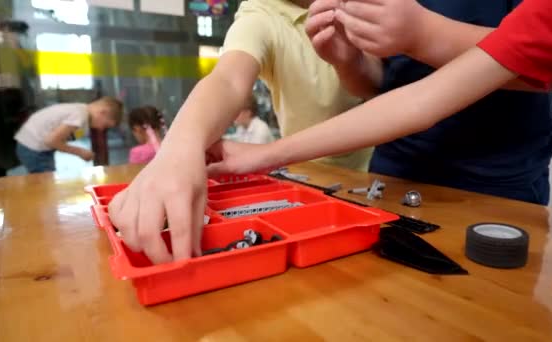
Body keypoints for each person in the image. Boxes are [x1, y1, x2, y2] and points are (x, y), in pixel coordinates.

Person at [207, 0, 552, 187]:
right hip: (395, 171)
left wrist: (423, 35)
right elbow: (415, 99)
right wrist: (267, 154)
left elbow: (547, 67)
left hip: (500, 176)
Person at [108, 0, 373, 265]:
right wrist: (180, 145)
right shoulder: (260, 13)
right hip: (312, 173)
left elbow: (391, 93)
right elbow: (228, 79)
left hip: (376, 169)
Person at [303, 0, 552, 206]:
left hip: (497, 183)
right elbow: (382, 84)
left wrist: (420, 34)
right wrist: (350, 63)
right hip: (393, 174)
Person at [15, 96, 123, 174]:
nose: (101, 129)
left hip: (34, 145)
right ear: (102, 112)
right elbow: (51, 141)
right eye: (105, 125)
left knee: (46, 179)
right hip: (33, 147)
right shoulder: (80, 115)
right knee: (46, 182)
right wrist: (80, 152)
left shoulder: (81, 110)